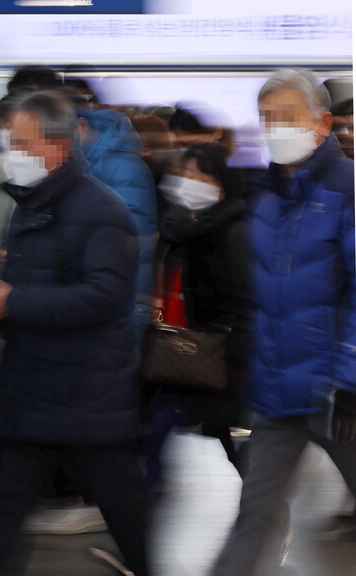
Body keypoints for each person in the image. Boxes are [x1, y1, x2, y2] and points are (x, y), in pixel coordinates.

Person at [0, 91, 148, 576]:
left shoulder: (99, 208)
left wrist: (14, 301)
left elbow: (105, 296)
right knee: (6, 511)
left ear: (58, 147)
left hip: (89, 393)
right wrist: (0, 302)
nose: (12, 152)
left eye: (22, 142)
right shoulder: (30, 202)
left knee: (125, 516)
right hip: (35, 385)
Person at [210, 68, 356, 576]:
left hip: (339, 395)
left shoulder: (347, 189)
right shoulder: (265, 197)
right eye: (266, 117)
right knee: (255, 515)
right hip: (277, 390)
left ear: (322, 123)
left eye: (287, 116)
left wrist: (350, 374)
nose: (275, 127)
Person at [147, 143, 255, 491]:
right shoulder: (180, 227)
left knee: (220, 433)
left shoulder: (233, 232)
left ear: (222, 183)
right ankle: (139, 505)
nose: (189, 181)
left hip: (218, 353)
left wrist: (233, 349)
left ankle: (268, 513)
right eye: (185, 172)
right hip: (180, 345)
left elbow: (245, 299)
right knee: (168, 423)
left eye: (201, 175)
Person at [76, 105, 158, 342]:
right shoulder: (90, 162)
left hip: (119, 299)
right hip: (101, 293)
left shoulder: (123, 168)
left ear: (82, 125)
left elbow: (129, 242)